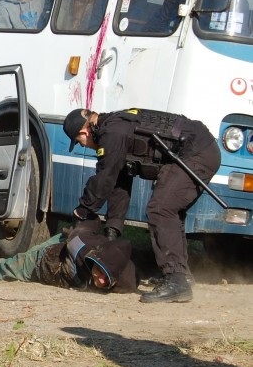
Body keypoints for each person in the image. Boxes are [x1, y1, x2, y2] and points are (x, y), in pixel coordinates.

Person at [62, 107, 221, 303]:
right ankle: (181, 275)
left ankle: (177, 280)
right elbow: (119, 184)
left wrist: (83, 209)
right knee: (168, 209)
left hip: (197, 151)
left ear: (84, 132)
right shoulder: (116, 126)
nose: (85, 146)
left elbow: (104, 179)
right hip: (199, 147)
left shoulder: (112, 133)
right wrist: (113, 231)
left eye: (80, 143)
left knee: (161, 208)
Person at [0, 218, 137, 293]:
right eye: (100, 272)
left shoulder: (124, 278)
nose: (100, 280)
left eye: (106, 278)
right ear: (95, 259)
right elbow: (86, 226)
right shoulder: (81, 248)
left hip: (59, 264)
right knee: (9, 267)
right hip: (43, 259)